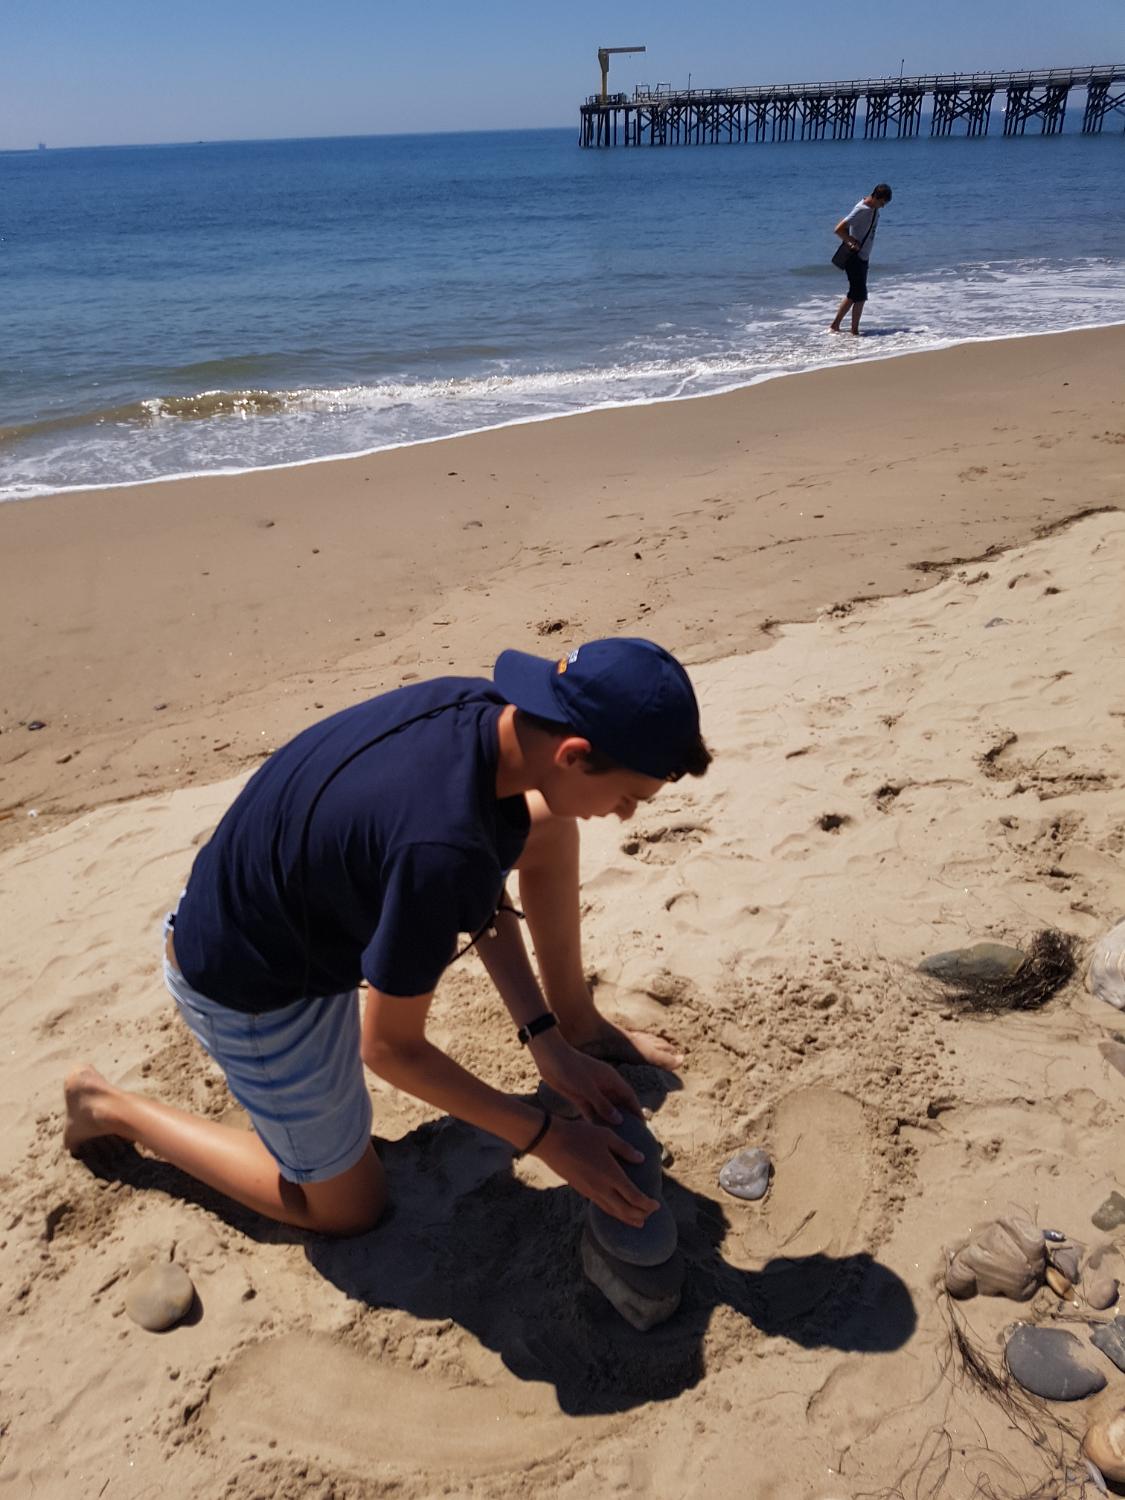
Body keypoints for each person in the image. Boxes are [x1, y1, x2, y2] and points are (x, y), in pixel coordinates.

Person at [64, 637, 711, 1238]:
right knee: (348, 1208)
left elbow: (479, 876)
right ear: (572, 754)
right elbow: (391, 1050)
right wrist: (548, 1139)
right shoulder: (439, 847)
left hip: (266, 891)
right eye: (629, 797)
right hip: (252, 982)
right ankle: (109, 1105)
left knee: (545, 828)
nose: (623, 814)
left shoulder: (483, 713)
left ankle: (576, 1024)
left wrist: (545, 1040)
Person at [829, 182, 893, 336]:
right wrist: (851, 240)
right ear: (876, 197)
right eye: (882, 203)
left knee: (855, 294)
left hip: (863, 257)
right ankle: (852, 330)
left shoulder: (873, 208)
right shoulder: (861, 209)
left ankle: (837, 326)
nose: (883, 206)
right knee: (860, 295)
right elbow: (839, 229)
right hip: (855, 257)